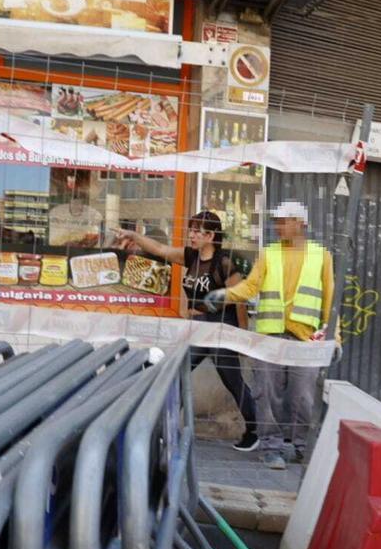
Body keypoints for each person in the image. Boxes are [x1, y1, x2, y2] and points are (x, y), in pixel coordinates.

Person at [204, 201, 336, 470]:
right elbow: (250, 287)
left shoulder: (321, 256)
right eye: (276, 221)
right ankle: (271, 448)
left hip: (305, 338)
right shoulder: (269, 254)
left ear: (300, 224)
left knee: (303, 396)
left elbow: (329, 301)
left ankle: (302, 446)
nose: (278, 226)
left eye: (283, 221)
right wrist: (225, 295)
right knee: (267, 394)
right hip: (269, 336)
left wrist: (337, 338)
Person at [112, 211, 259, 451]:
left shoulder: (224, 263)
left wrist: (241, 337)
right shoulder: (190, 256)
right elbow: (160, 250)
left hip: (222, 329)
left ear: (211, 235)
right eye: (191, 229)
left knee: (232, 380)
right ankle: (166, 429)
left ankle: (253, 431)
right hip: (199, 327)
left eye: (197, 231)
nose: (191, 235)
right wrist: (133, 235)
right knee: (177, 370)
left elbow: (239, 301)